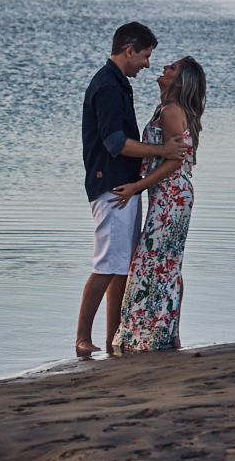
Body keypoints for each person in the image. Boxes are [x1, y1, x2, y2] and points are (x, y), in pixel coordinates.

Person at [76, 22, 186, 357]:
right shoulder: (108, 86)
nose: (148, 64)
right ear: (129, 51)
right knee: (107, 264)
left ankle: (114, 337)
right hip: (112, 186)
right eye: (145, 56)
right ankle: (82, 339)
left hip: (124, 187)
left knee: (121, 264)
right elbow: (115, 143)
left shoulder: (117, 83)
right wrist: (162, 150)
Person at [111, 57, 207, 352]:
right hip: (169, 194)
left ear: (180, 82)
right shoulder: (166, 108)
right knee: (164, 262)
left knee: (155, 261)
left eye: (172, 68)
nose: (164, 67)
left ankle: (151, 335)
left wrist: (136, 186)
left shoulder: (170, 111)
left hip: (171, 195)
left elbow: (175, 161)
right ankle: (161, 334)